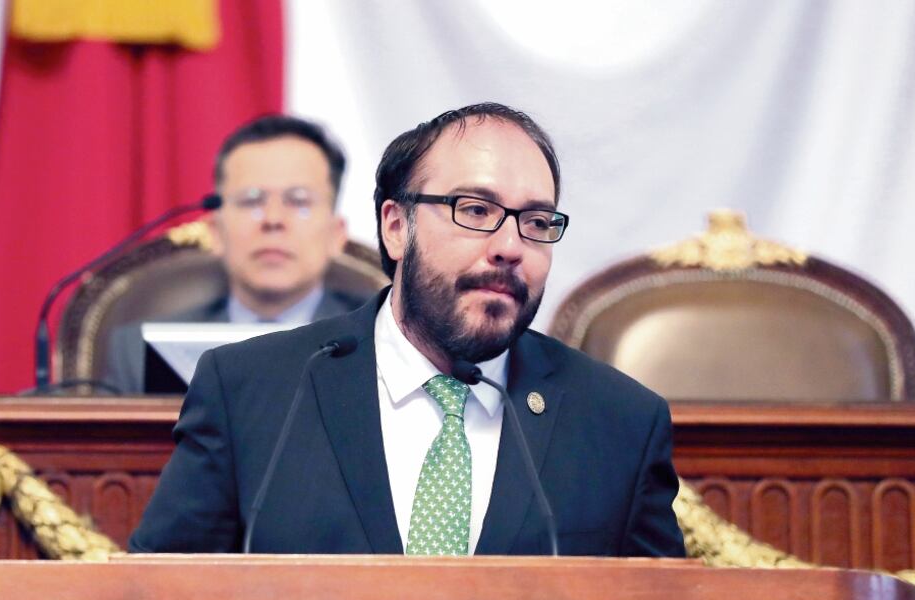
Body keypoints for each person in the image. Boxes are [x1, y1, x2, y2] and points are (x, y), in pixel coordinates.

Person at [129, 102, 685, 557]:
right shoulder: (250, 389)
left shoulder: (620, 422)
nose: (510, 247)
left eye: (537, 222)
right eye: (475, 209)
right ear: (397, 228)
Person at [103, 114, 361, 394]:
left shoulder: (379, 339)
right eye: (251, 200)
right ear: (214, 232)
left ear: (337, 234)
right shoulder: (138, 352)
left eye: (298, 200)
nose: (273, 219)